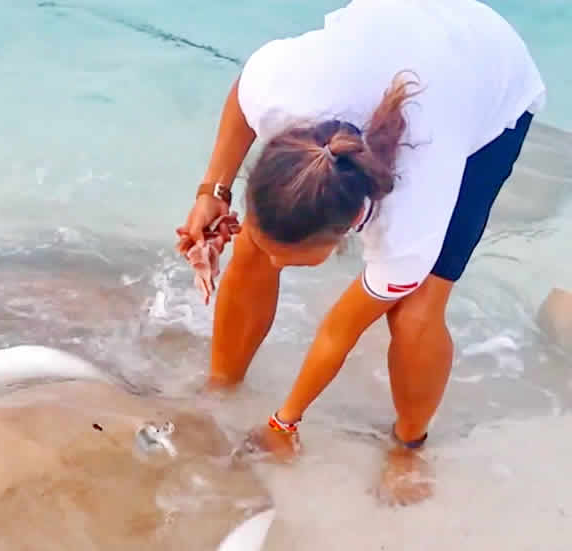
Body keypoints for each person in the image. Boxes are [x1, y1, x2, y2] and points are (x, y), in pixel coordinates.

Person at [175, 0, 547, 506]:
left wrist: (285, 422)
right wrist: (212, 193)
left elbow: (339, 331)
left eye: (291, 258)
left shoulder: (410, 221)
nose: (277, 263)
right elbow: (244, 94)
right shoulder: (281, 90)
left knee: (415, 313)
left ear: (351, 226)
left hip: (489, 79)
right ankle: (220, 386)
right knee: (252, 250)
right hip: (408, 26)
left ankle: (409, 444)